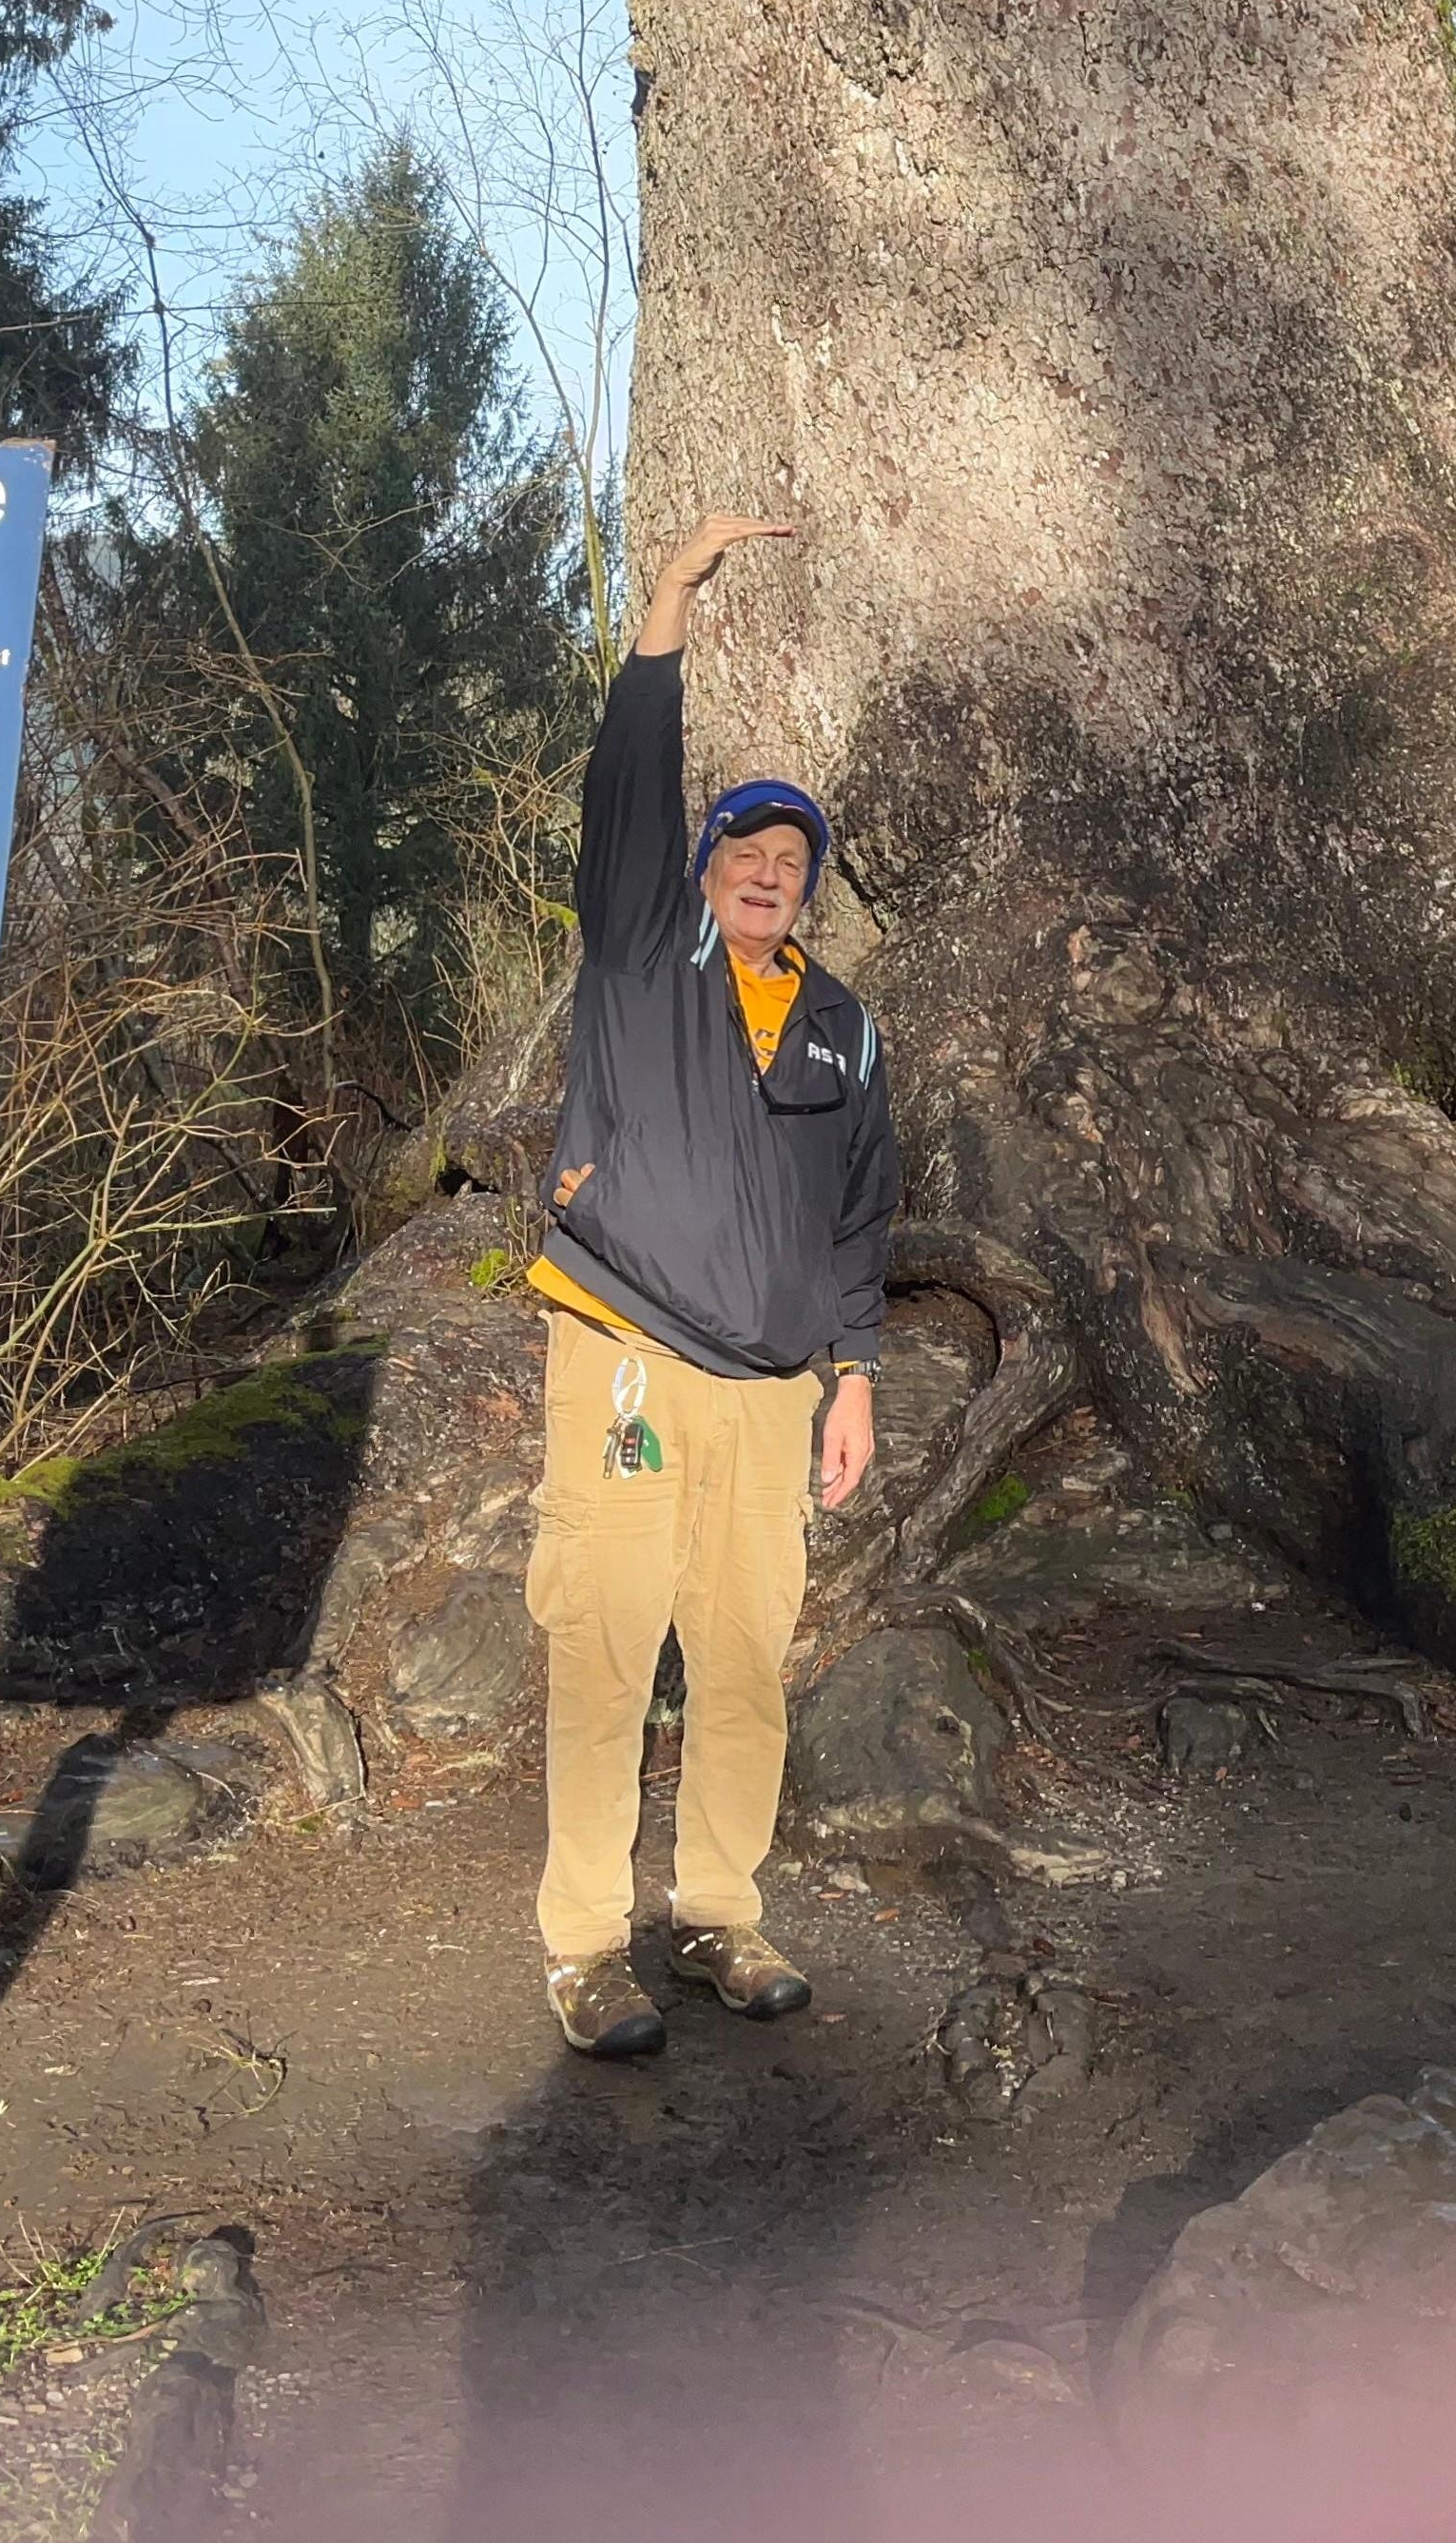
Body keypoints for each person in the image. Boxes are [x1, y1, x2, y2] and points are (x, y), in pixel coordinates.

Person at [522, 507, 899, 2054]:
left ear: (808, 888)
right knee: (607, 1650)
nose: (766, 870)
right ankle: (583, 1949)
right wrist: (667, 599)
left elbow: (863, 1208)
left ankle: (719, 1918)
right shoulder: (635, 958)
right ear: (697, 875)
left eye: (789, 857)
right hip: (625, 1354)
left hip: (771, 1395)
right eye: (742, 851)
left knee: (745, 1665)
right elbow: (626, 790)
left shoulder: (843, 1026)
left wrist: (856, 1372)